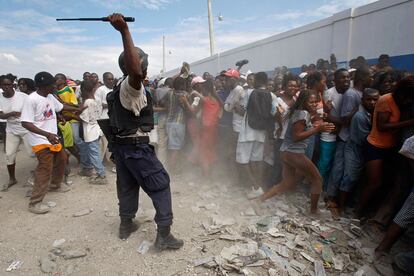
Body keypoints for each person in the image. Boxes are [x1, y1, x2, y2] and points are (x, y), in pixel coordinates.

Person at [105, 14, 183, 250]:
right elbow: (136, 73)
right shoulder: (131, 86)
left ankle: (126, 224)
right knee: (160, 184)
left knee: (127, 186)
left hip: (122, 149)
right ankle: (164, 235)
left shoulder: (118, 87)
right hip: (136, 149)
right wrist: (124, 31)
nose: (145, 71)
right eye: (143, 67)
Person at [258, 90, 335, 214]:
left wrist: (316, 118)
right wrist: (318, 129)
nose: (314, 104)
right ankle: (314, 211)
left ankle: (258, 201)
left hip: (287, 152)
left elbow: (303, 126)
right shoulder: (302, 114)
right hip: (293, 152)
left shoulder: (303, 113)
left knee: (286, 183)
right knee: (317, 179)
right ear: (304, 102)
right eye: (311, 102)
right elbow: (296, 136)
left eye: (316, 102)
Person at [21, 71, 81, 214]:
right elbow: (25, 123)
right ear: (43, 86)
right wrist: (46, 134)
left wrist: (78, 108)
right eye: (51, 84)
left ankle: (55, 185)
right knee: (45, 168)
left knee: (62, 159)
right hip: (41, 139)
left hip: (52, 137)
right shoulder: (31, 99)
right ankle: (35, 203)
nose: (54, 86)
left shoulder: (49, 96)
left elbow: (62, 107)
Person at [356, 76, 414, 218]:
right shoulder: (386, 100)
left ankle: (368, 211)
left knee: (382, 183)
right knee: (374, 183)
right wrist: (409, 122)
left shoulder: (401, 102)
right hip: (375, 146)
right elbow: (382, 127)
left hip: (389, 147)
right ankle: (356, 212)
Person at [326, 66, 372, 216]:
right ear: (362, 78)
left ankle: (335, 199)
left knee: (344, 171)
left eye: (347, 77)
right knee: (340, 170)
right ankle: (332, 198)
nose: (371, 79)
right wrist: (356, 110)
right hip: (346, 138)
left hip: (350, 137)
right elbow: (345, 119)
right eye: (369, 76)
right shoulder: (352, 95)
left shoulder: (359, 93)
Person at [338, 88, 379, 213]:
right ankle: (341, 206)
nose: (372, 102)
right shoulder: (359, 116)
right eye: (368, 99)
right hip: (356, 148)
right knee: (349, 177)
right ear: (362, 100)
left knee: (358, 179)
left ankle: (350, 204)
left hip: (364, 150)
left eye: (375, 100)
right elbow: (364, 140)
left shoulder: (375, 112)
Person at [317, 69, 349, 191]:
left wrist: (340, 127)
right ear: (335, 81)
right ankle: (318, 186)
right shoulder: (329, 94)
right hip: (329, 132)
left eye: (347, 77)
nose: (346, 80)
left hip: (344, 133)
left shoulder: (350, 93)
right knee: (325, 161)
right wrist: (338, 124)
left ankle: (328, 188)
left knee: (336, 164)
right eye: (342, 77)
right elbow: (324, 115)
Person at [0, 75, 31, 191]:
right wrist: (12, 113)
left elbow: (31, 108)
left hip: (26, 128)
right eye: (4, 84)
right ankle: (12, 179)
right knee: (9, 155)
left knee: (32, 153)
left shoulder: (23, 96)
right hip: (11, 129)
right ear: (1, 86)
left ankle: (40, 173)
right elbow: (0, 115)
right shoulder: (0, 98)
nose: (7, 87)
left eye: (9, 84)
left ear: (13, 85)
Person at [78, 80, 106, 184]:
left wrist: (78, 111)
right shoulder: (98, 99)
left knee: (94, 153)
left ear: (83, 90)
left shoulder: (87, 102)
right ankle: (91, 169)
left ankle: (101, 174)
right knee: (94, 152)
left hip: (90, 130)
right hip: (97, 128)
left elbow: (84, 118)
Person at [199, 79, 222, 178]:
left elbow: (197, 113)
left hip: (205, 130)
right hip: (214, 129)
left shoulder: (205, 100)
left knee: (204, 153)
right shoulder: (216, 101)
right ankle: (211, 175)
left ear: (205, 89)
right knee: (212, 151)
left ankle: (206, 176)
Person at [94, 72, 114, 163]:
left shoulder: (114, 89)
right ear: (104, 80)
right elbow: (97, 103)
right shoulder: (100, 90)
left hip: (113, 119)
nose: (111, 81)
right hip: (103, 119)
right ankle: (98, 163)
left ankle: (108, 160)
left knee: (112, 141)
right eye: (109, 79)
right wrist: (111, 105)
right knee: (103, 142)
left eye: (112, 79)